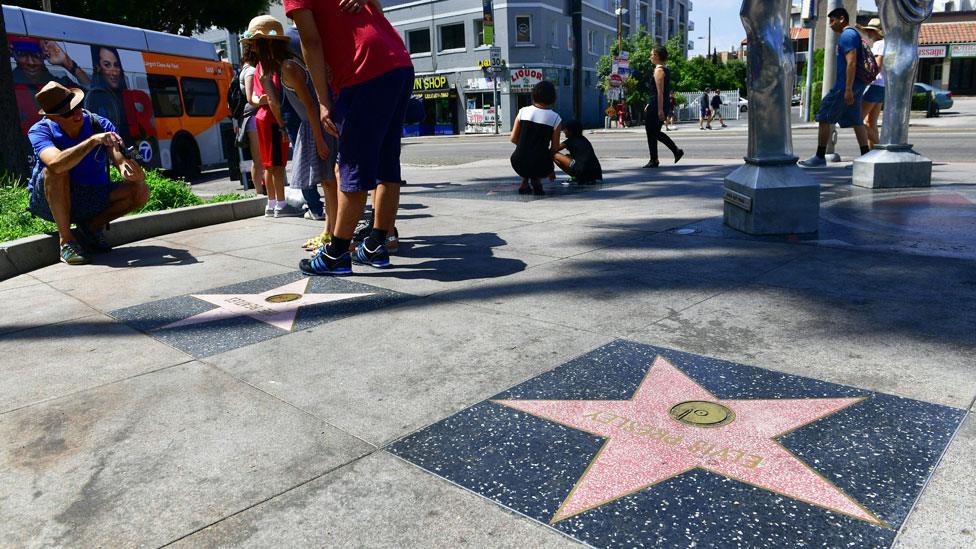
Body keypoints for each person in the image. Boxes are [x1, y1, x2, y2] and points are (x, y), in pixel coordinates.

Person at [288, 0, 414, 274]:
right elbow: (377, 12)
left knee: (352, 163)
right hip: (398, 61)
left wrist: (323, 101)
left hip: (364, 68)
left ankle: (336, 254)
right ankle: (375, 245)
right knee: (386, 163)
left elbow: (310, 41)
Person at [27, 82, 149, 265]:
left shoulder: (100, 124)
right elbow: (55, 164)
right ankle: (66, 242)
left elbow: (119, 158)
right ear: (53, 118)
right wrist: (92, 141)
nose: (77, 114)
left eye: (78, 107)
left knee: (141, 191)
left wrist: (130, 172)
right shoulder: (40, 131)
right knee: (56, 171)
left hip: (91, 195)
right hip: (48, 201)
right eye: (68, 112)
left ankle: (90, 229)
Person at [242, 16, 303, 218]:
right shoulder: (272, 66)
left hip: (261, 117)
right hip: (272, 118)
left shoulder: (259, 65)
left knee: (268, 163)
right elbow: (275, 100)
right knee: (278, 165)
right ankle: (281, 205)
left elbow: (255, 98)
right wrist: (283, 125)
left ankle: (271, 203)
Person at [799, 7, 871, 168]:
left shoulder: (847, 35)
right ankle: (865, 158)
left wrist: (847, 89)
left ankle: (819, 157)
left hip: (844, 86)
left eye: (832, 21)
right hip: (855, 85)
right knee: (856, 120)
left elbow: (851, 62)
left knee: (824, 116)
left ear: (841, 19)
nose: (830, 25)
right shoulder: (853, 34)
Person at [510, 81, 561, 196]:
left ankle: (524, 182)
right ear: (552, 97)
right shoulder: (556, 118)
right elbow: (554, 148)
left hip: (517, 162)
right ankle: (536, 180)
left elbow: (513, 138)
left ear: (534, 95)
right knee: (537, 157)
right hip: (541, 165)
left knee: (528, 156)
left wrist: (527, 147)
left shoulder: (522, 112)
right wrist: (551, 169)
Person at [643, 46, 684, 168]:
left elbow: (660, 92)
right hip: (655, 104)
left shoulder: (659, 71)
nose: (650, 56)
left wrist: (660, 110)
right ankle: (654, 159)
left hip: (657, 106)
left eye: (652, 54)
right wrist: (649, 104)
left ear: (657, 55)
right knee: (652, 132)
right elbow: (658, 92)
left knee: (653, 132)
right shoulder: (665, 69)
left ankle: (675, 151)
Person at [85, 46, 131, 145]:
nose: (114, 72)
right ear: (98, 68)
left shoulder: (123, 97)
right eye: (107, 65)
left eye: (116, 65)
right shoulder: (95, 96)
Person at [239, 42, 266, 195]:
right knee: (259, 159)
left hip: (249, 119)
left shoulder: (243, 70)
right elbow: (250, 97)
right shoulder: (250, 71)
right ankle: (260, 192)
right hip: (253, 118)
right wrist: (267, 99)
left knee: (258, 159)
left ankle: (260, 191)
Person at [860, 18, 885, 149]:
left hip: (875, 85)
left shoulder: (879, 44)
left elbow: (877, 65)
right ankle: (874, 153)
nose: (869, 33)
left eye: (871, 31)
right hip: (882, 86)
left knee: (857, 119)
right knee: (871, 122)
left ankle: (881, 147)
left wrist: (866, 78)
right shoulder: (886, 43)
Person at [553, 119, 602, 184]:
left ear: (571, 131)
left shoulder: (570, 141)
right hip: (596, 175)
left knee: (555, 155)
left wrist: (554, 136)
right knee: (567, 156)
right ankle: (580, 177)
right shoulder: (583, 139)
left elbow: (554, 149)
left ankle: (577, 177)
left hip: (583, 172)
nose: (564, 131)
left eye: (565, 129)